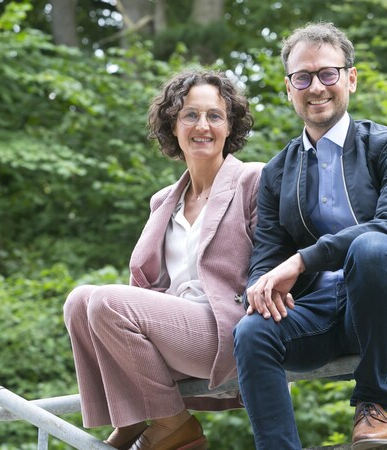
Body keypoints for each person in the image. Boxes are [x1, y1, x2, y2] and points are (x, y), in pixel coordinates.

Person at [232, 21, 387, 450]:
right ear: (288, 88)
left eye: (328, 73)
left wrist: (302, 260)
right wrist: (261, 288)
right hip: (321, 316)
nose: (316, 87)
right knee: (251, 331)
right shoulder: (276, 172)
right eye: (302, 77)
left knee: (370, 248)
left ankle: (371, 404)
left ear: (350, 77)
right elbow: (267, 253)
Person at [64, 69, 263, 450]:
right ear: (172, 125)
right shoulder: (163, 200)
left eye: (215, 116)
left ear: (229, 126)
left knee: (107, 300)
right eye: (190, 114)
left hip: (226, 328)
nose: (202, 125)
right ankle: (135, 417)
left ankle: (174, 425)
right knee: (78, 301)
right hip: (170, 330)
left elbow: (273, 257)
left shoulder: (253, 179)